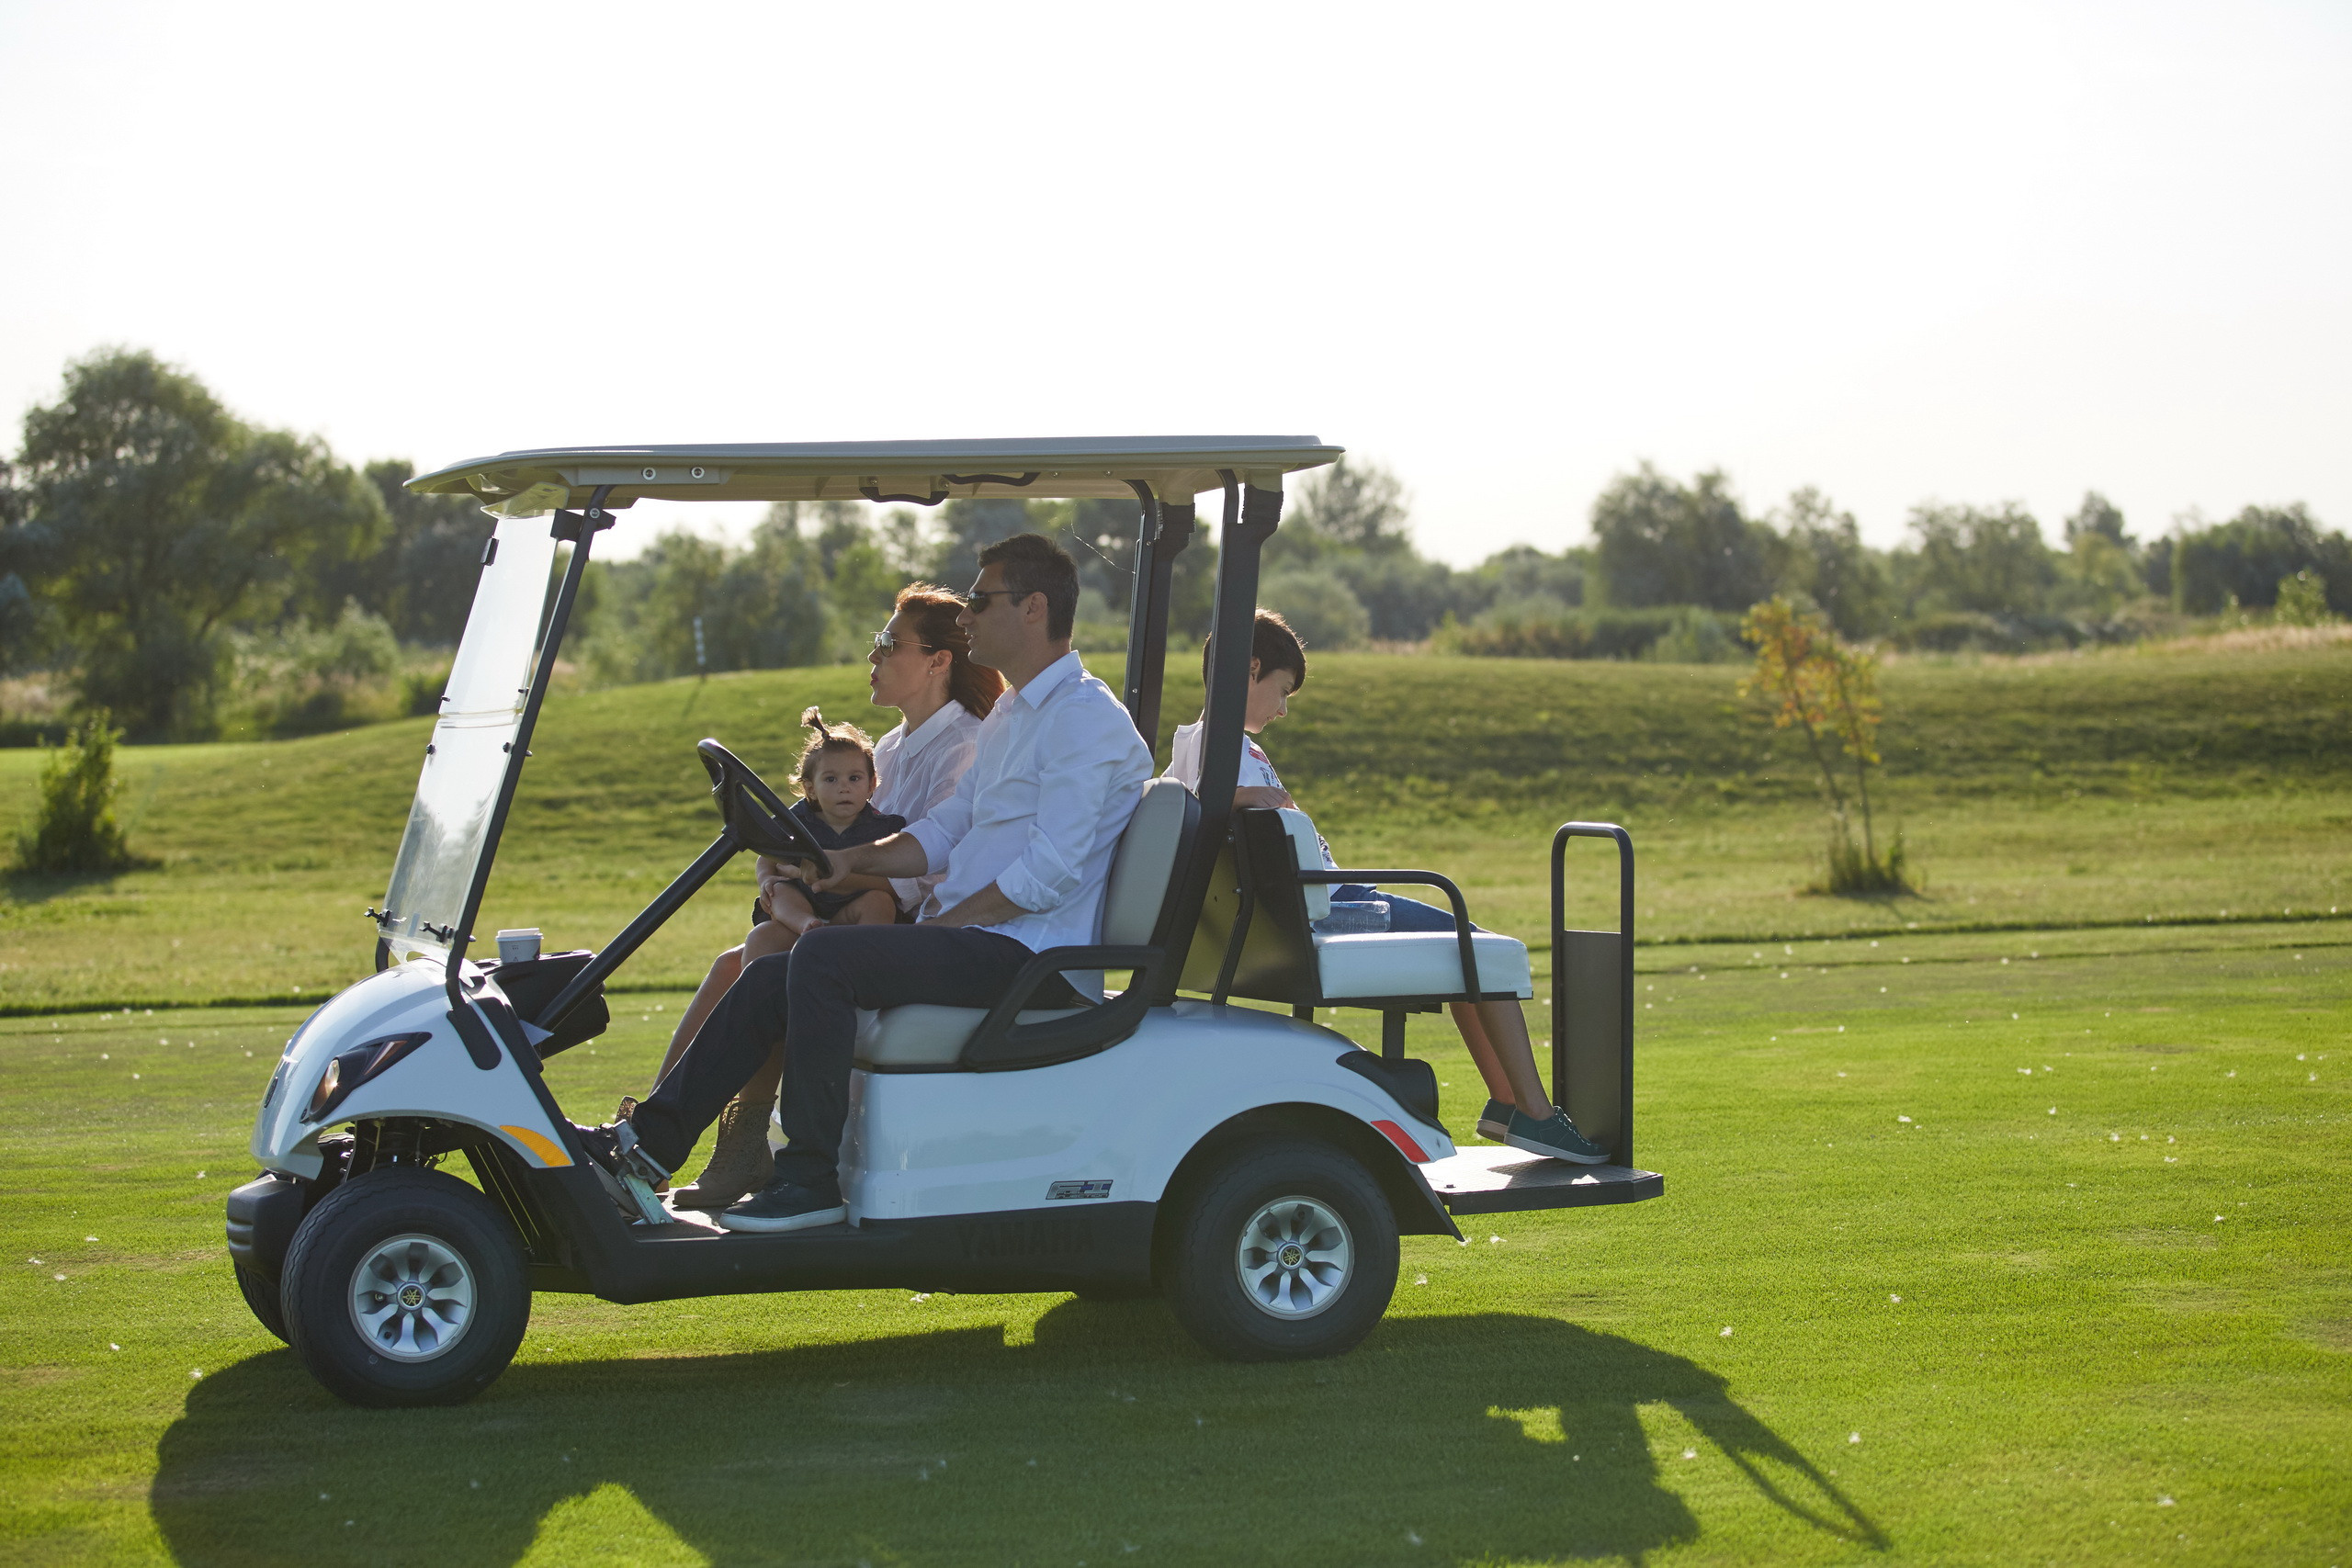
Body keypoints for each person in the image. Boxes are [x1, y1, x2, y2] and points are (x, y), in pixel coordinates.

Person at [581, 534, 1154, 1233]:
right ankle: (644, 1151)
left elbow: (1051, 869)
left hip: (1034, 957)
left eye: (980, 599)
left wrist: (944, 927)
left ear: (1034, 608)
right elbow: (945, 828)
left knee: (823, 957)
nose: (967, 615)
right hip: (987, 941)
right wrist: (853, 861)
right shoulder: (1013, 715)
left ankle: (810, 1176)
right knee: (771, 975)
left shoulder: (1085, 719)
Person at [1164, 609, 1608, 1164]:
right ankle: (1536, 1114)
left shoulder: (1199, 744)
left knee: (1469, 948)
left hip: (1311, 903)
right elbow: (1205, 806)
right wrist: (1252, 801)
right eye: (1282, 691)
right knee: (1480, 949)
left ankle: (1506, 1104)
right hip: (1327, 910)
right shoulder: (1222, 751)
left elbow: (1187, 800)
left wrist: (1250, 800)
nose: (1282, 708)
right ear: (1251, 668)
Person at [660, 586, 1002, 1208]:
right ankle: (650, 1132)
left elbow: (922, 872)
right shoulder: (892, 746)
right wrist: (780, 872)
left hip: (916, 930)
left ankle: (732, 1150)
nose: (873, 656)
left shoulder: (965, 746)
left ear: (937, 661)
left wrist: (815, 873)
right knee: (735, 961)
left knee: (767, 956)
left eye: (888, 644)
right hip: (858, 911)